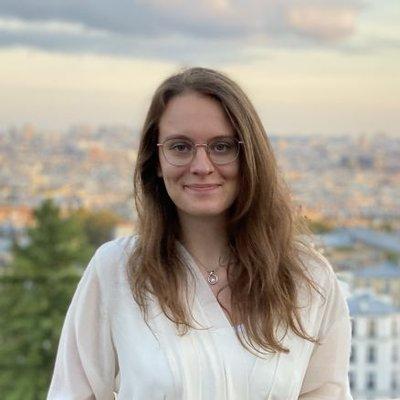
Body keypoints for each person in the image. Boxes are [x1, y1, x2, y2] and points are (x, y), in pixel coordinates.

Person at [48, 67, 353, 399]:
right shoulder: (117, 272)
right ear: (156, 161)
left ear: (250, 156)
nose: (202, 166)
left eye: (222, 146)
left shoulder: (308, 279)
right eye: (180, 147)